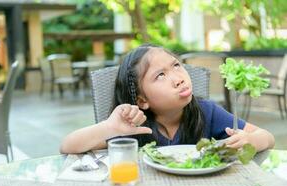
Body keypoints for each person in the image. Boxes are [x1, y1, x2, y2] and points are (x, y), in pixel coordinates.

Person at [60, 44, 275, 154]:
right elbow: (68, 146)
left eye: (176, 65)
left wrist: (252, 140)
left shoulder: (206, 111)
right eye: (160, 75)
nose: (178, 79)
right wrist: (109, 128)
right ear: (142, 100)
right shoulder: (132, 126)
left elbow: (266, 137)